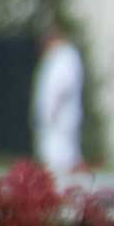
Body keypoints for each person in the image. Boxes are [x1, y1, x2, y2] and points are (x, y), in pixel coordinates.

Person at [31, 21, 84, 177]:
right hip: (54, 118)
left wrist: (54, 109)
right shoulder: (55, 57)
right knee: (53, 155)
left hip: (60, 117)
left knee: (61, 156)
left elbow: (63, 85)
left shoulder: (65, 56)